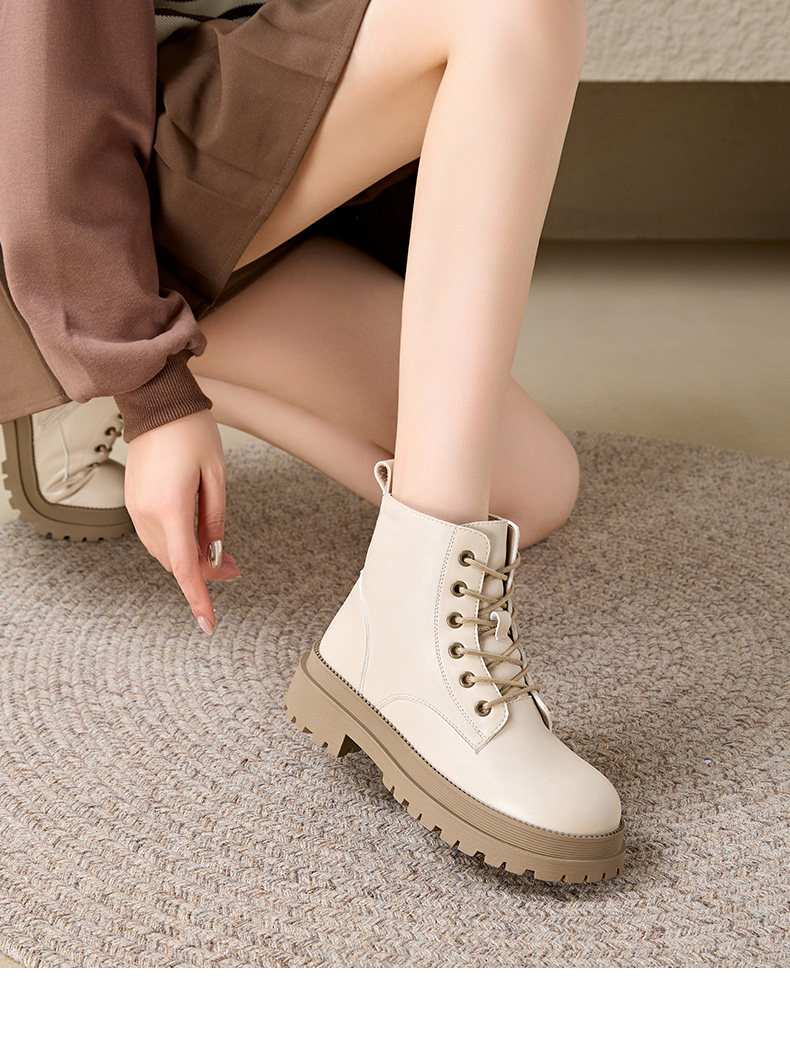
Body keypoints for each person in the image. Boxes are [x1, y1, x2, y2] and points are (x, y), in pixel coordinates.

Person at [0, 0, 625, 882]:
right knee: (512, 9)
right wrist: (149, 386)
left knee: (532, 486)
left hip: (217, 154)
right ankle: (406, 631)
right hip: (57, 187)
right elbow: (44, 88)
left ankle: (73, 365)